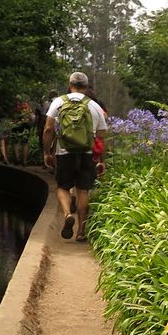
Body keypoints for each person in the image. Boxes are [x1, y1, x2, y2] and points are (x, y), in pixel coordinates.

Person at [43, 72, 107, 242]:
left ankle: (66, 215)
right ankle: (81, 231)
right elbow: (101, 135)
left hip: (64, 152)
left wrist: (46, 152)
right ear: (86, 87)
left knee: (63, 187)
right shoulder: (94, 106)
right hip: (86, 153)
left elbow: (48, 129)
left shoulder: (58, 102)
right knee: (82, 190)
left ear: (69, 84)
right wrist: (101, 160)